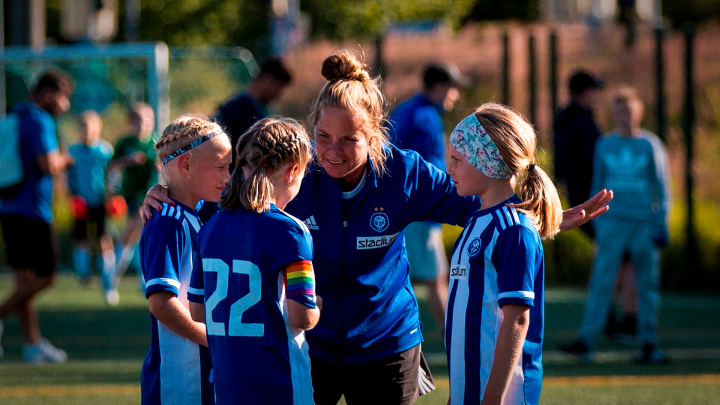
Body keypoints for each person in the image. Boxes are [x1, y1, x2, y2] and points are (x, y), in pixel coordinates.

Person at [144, 51, 612, 405]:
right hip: (312, 346)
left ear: (375, 136)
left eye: (349, 140)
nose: (332, 151)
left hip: (388, 343)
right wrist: (166, 197)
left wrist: (542, 217)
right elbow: (228, 214)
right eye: (322, 138)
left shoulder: (404, 174)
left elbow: (478, 203)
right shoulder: (294, 175)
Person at [188, 117, 321, 405]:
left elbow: (198, 311)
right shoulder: (291, 230)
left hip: (227, 383)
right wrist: (317, 308)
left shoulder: (211, 226)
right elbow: (301, 316)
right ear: (293, 171)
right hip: (280, 383)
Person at [445, 103, 562, 405]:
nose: (449, 169)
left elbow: (516, 320)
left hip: (499, 396)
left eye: (458, 160)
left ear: (487, 161)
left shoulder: (513, 230)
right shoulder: (475, 220)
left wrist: (493, 397)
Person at [560, 87, 670, 364]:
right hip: (613, 225)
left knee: (647, 286)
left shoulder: (650, 145)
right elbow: (598, 184)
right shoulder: (605, 145)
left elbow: (662, 187)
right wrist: (597, 222)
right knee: (601, 283)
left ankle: (648, 344)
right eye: (620, 111)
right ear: (614, 114)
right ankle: (587, 340)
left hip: (643, 225)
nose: (625, 117)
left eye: (629, 111)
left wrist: (661, 223)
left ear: (639, 113)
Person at [139, 115, 231, 405]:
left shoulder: (200, 213)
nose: (227, 177)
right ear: (187, 165)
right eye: (220, 168)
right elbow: (161, 303)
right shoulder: (168, 223)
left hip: (202, 371)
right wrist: (211, 338)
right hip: (177, 378)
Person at [388, 63, 469, 334]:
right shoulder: (425, 117)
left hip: (403, 207)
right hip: (419, 210)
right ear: (438, 86)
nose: (454, 95)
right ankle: (456, 340)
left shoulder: (409, 110)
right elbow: (425, 173)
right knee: (435, 278)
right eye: (451, 88)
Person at [0, 71, 74, 363]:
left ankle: (32, 344)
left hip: (7, 206)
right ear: (49, 95)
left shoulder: (14, 115)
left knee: (24, 279)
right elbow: (48, 164)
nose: (65, 106)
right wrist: (66, 159)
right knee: (48, 276)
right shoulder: (39, 119)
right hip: (32, 210)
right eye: (63, 98)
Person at [67, 110, 118, 304]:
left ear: (98, 129)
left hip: (100, 202)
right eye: (83, 127)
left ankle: (108, 283)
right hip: (81, 201)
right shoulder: (73, 150)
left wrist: (113, 195)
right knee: (81, 238)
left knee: (104, 239)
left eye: (90, 127)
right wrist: (71, 195)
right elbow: (67, 176)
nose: (87, 131)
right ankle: (83, 273)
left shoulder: (104, 150)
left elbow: (112, 175)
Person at [216, 57, 293, 172]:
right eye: (279, 88)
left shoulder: (239, 103)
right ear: (268, 80)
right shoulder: (245, 108)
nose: (278, 95)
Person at [112, 102, 158, 291]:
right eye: (139, 120)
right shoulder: (126, 143)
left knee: (138, 236)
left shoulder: (154, 143)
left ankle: (117, 271)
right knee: (137, 227)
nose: (144, 124)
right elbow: (111, 165)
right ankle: (113, 273)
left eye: (147, 120)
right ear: (131, 123)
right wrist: (128, 161)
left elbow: (165, 164)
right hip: (131, 194)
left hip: (151, 194)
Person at [553, 70, 604, 238]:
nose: (595, 95)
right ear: (586, 91)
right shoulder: (583, 122)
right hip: (589, 191)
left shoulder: (564, 118)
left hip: (574, 190)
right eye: (593, 90)